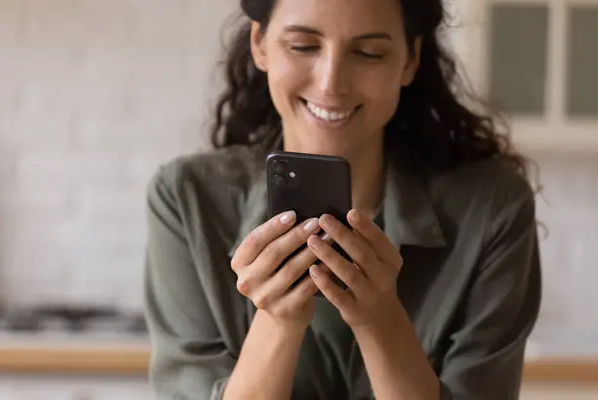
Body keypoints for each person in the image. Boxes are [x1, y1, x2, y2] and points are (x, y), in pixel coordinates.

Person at [143, 0, 542, 398]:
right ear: (260, 43)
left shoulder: (492, 207)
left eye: (369, 52)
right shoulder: (186, 200)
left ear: (410, 59)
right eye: (303, 46)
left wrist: (379, 318)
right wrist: (279, 321)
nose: (331, 82)